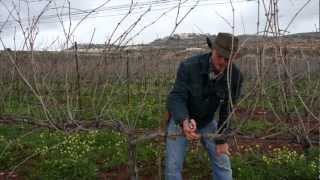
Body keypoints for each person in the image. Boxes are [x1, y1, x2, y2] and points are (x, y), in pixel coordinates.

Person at [165, 32, 243, 180]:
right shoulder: (189, 67)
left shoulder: (235, 77)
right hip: (181, 120)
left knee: (223, 163)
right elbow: (177, 97)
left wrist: (221, 139)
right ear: (212, 50)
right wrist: (184, 121)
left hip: (206, 121)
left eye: (227, 59)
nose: (222, 62)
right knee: (172, 166)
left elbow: (228, 110)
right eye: (219, 56)